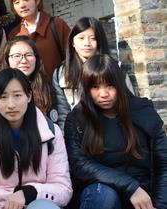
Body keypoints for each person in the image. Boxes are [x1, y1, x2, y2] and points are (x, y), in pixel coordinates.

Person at [64, 55, 167, 209]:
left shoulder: (143, 111)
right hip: (102, 193)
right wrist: (130, 187)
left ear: (120, 84)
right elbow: (79, 164)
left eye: (110, 85)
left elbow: (163, 163)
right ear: (86, 88)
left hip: (145, 194)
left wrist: (160, 205)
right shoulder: (77, 119)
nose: (103, 93)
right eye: (95, 87)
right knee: (102, 195)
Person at [0, 68, 72, 209]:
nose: (11, 105)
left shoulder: (50, 132)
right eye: (3, 97)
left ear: (29, 96)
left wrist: (30, 193)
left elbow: (63, 188)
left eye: (17, 95)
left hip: (37, 203)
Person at [52, 17, 134, 131]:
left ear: (100, 42)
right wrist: (70, 138)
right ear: (72, 42)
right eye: (81, 38)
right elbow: (63, 115)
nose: (87, 43)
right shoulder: (61, 74)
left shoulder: (115, 70)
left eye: (93, 38)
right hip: (80, 134)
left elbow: (130, 106)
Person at [8, 0, 71, 82]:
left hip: (58, 87)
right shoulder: (15, 34)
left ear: (37, 0)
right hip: (28, 89)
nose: (22, 5)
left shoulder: (56, 24)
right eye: (17, 2)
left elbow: (72, 55)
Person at [3, 36, 57, 123]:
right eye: (17, 56)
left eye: (29, 55)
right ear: (7, 60)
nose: (24, 61)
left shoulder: (46, 89)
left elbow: (53, 124)